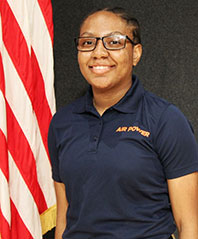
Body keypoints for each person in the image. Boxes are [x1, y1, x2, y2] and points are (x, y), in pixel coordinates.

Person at [48, 7, 198, 239]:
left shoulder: (166, 120)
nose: (99, 52)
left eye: (113, 42)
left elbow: (189, 223)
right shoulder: (62, 122)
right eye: (88, 43)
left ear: (136, 53)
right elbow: (64, 217)